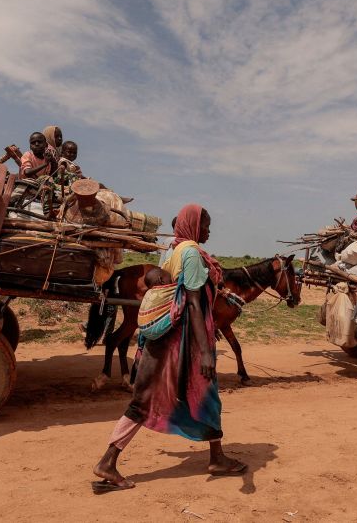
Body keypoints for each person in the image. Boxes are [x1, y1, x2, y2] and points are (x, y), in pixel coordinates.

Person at [93, 204, 246, 492]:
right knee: (146, 401)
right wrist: (205, 350)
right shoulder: (189, 254)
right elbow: (192, 302)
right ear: (193, 225)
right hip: (181, 343)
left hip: (174, 339)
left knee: (205, 397)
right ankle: (108, 462)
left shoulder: (174, 250)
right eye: (205, 225)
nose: (209, 230)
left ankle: (217, 457)